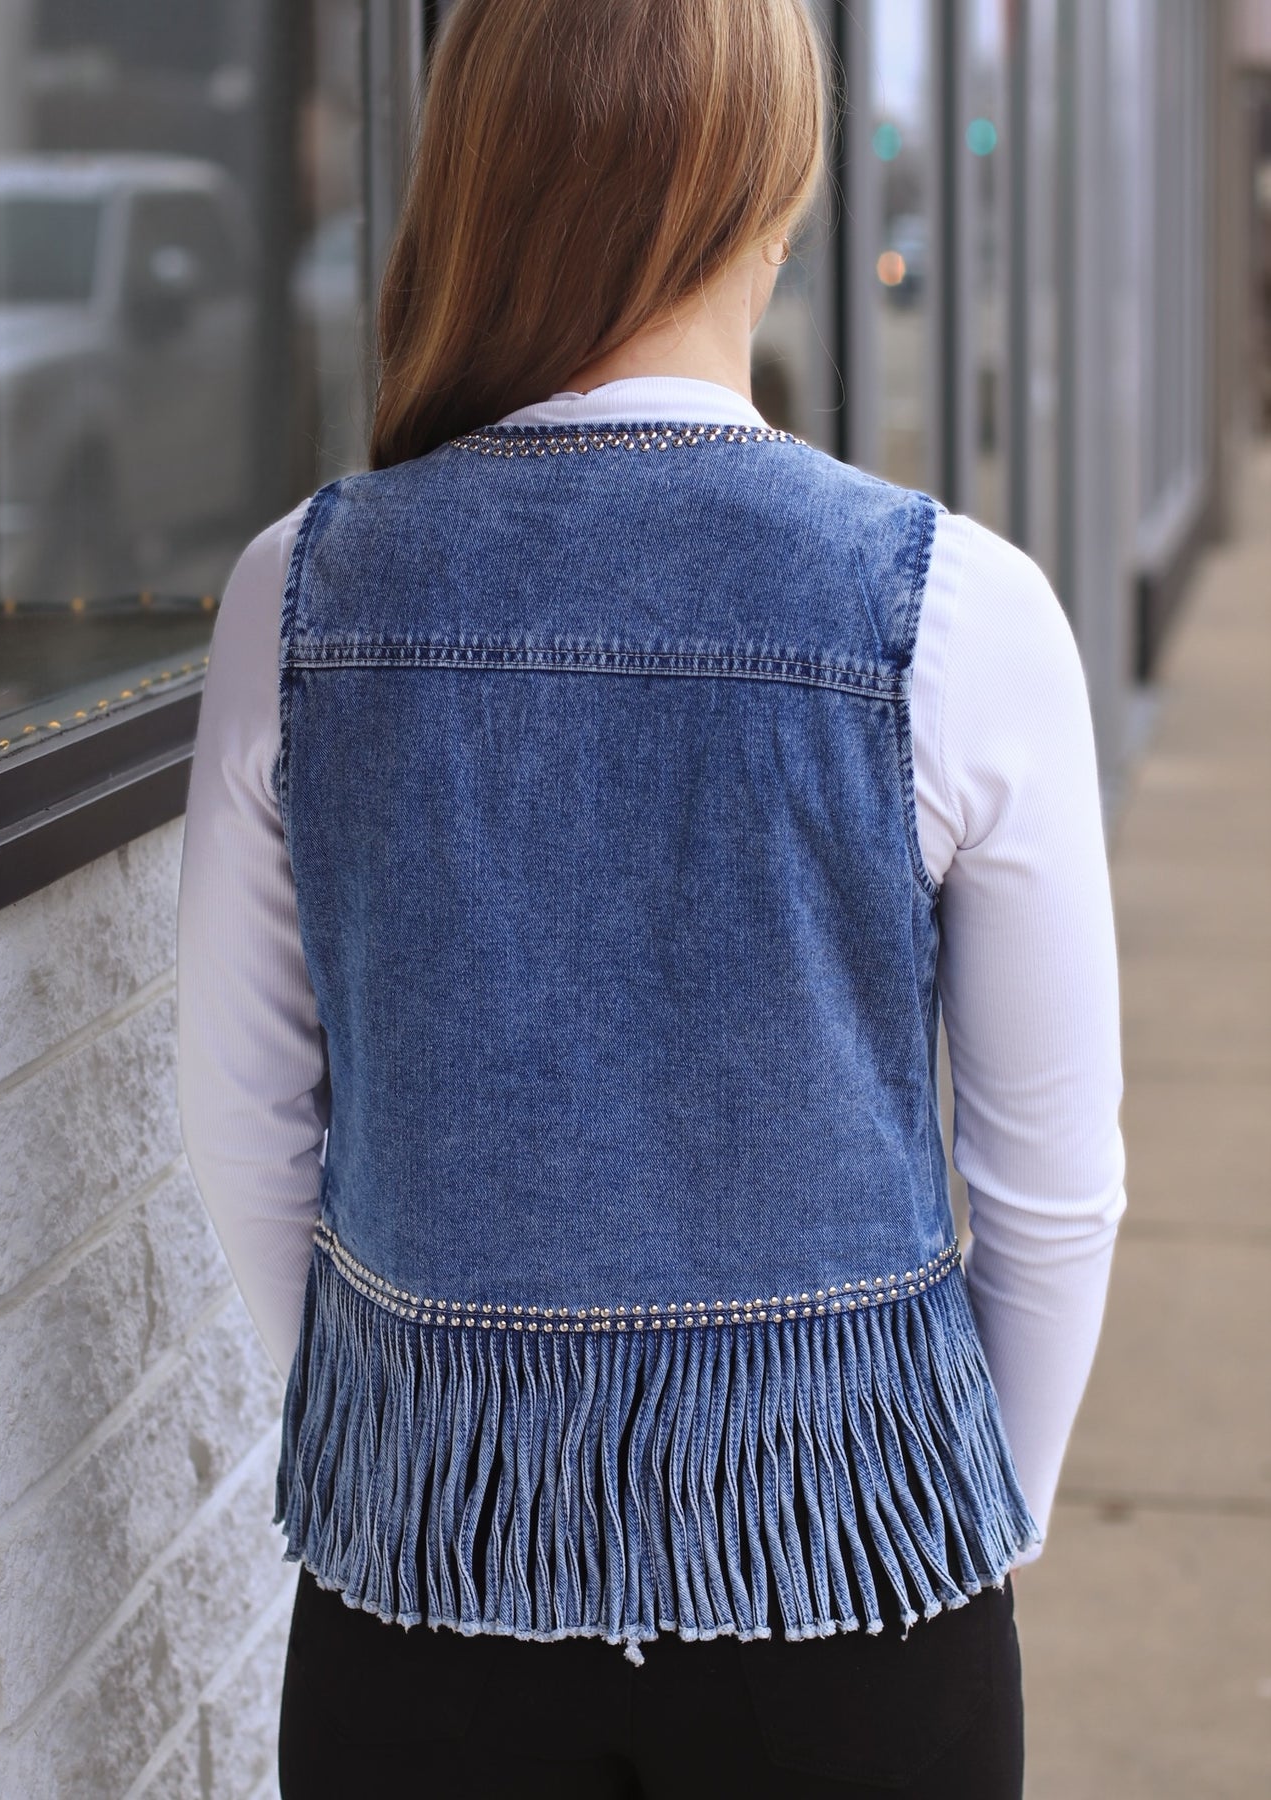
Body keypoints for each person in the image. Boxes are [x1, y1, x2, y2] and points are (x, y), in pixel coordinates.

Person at [175, 1, 1126, 1794]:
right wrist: (977, 1525)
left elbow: (242, 1121)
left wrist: (417, 1443)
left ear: (473, 176)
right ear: (778, 185)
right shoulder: (959, 606)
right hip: (851, 1586)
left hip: (422, 1600)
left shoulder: (296, 593)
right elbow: (1052, 1187)